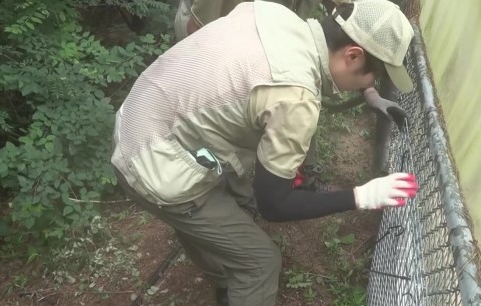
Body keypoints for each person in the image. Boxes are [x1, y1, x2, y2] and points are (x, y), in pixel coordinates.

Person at [110, 0, 417, 306]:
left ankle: (227, 285)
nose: (374, 83)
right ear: (353, 55)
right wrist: (361, 196)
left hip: (138, 118)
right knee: (259, 260)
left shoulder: (274, 16)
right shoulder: (295, 97)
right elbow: (275, 204)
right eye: (376, 75)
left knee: (222, 212)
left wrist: (370, 97)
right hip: (150, 161)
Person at [174, 0, 408, 188]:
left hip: (278, 39)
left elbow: (348, 29)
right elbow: (197, 28)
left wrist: (369, 92)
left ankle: (292, 174)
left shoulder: (301, 94)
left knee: (292, 106)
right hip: (212, 37)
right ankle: (215, 182)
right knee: (236, 122)